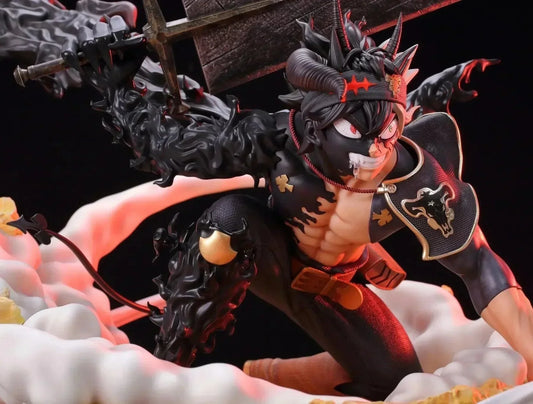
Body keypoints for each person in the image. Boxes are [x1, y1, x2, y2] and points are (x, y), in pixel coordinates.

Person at [1, 0, 532, 400]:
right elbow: (173, 145)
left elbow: (480, 266)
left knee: (395, 380)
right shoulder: (278, 140)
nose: (375, 149)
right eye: (355, 128)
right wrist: (117, 82)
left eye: (388, 128)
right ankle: (169, 365)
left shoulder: (416, 176)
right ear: (316, 120)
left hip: (331, 284)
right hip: (264, 249)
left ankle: (266, 375)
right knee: (227, 222)